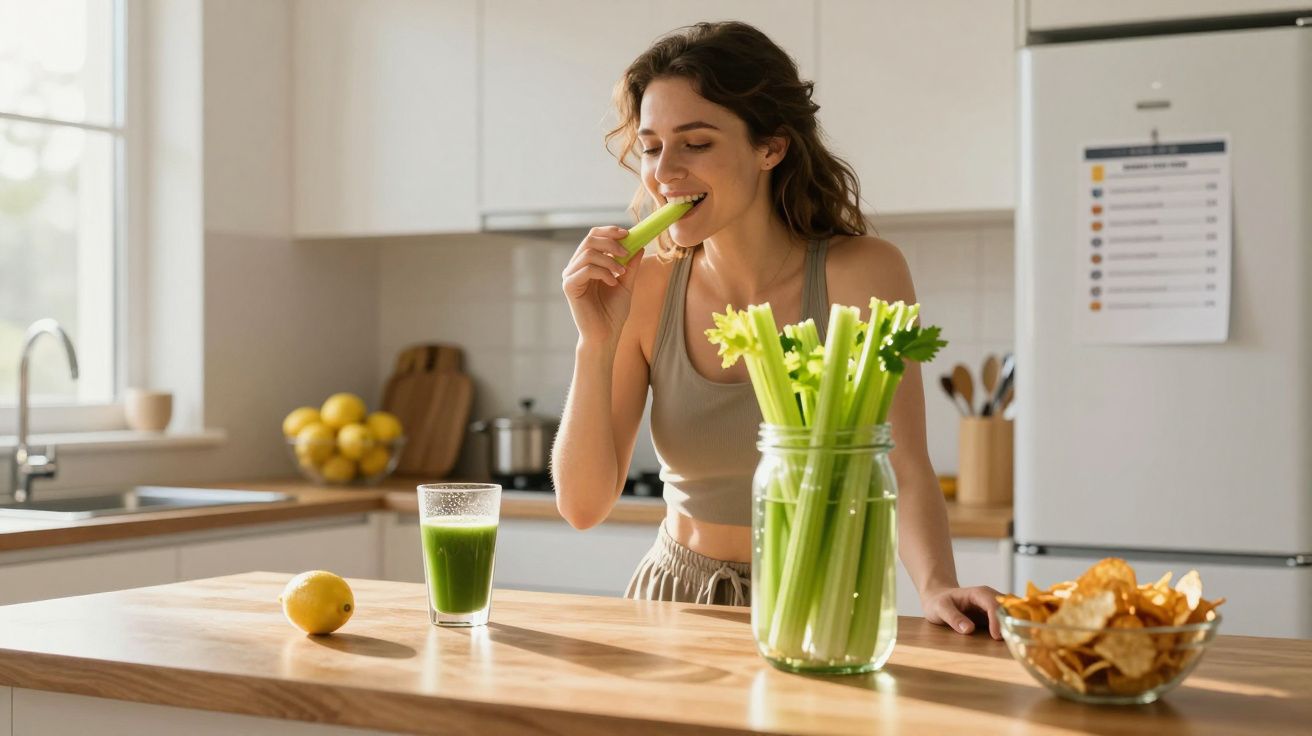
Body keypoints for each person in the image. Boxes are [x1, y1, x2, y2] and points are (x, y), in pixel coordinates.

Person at [552, 21, 1001, 639]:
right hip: (673, 605)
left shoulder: (862, 273)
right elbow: (581, 508)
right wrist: (594, 343)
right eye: (652, 147)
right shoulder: (646, 287)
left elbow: (902, 460)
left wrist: (936, 585)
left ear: (771, 147)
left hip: (817, 601)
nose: (664, 173)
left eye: (697, 143)